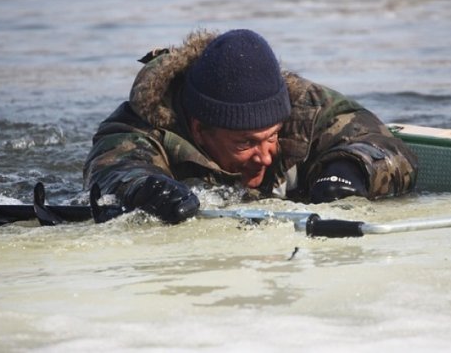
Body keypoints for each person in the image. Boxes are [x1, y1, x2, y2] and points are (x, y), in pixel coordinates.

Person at [84, 29, 418, 224]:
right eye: (246, 143)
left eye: (273, 136)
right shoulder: (143, 126)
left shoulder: (304, 105)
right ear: (200, 131)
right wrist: (146, 189)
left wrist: (352, 169)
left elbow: (383, 145)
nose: (266, 156)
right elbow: (115, 169)